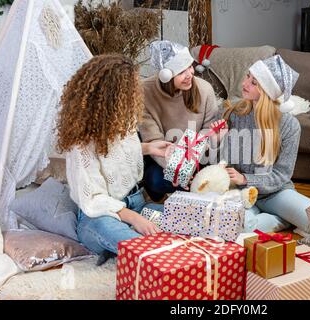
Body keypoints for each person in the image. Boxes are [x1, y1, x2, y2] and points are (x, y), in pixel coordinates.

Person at [56, 54, 171, 259]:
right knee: (145, 249)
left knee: (184, 221)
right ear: (112, 96)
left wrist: (149, 148)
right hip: (99, 217)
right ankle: (137, 251)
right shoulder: (81, 143)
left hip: (136, 203)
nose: (137, 95)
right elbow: (93, 199)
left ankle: (131, 246)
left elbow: (117, 154)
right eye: (131, 90)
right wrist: (135, 219)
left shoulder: (121, 122)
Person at [211, 55, 310, 233]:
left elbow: (282, 175)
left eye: (254, 82)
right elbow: (218, 166)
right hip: (240, 193)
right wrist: (217, 142)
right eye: (247, 76)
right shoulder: (232, 113)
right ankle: (283, 220)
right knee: (237, 225)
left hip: (276, 192)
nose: (245, 83)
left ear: (267, 90)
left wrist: (246, 178)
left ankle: (277, 217)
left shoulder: (289, 125)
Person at [140, 40, 218, 201]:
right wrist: (177, 170)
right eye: (182, 71)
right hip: (163, 159)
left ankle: (189, 191)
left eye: (190, 66)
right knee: (154, 180)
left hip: (196, 156)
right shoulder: (144, 92)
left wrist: (186, 168)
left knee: (209, 179)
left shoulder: (204, 89)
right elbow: (153, 140)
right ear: (166, 76)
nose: (190, 74)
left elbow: (208, 130)